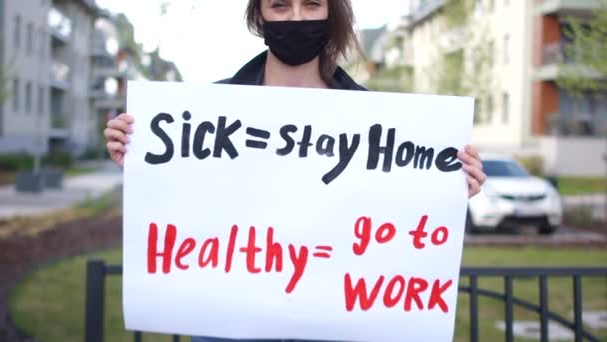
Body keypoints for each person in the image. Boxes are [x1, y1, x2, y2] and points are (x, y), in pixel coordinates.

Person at [104, 1, 487, 341]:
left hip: (337, 322)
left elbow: (395, 209)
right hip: (231, 321)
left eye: (311, 5)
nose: (297, 18)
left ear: (329, 12)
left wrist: (448, 186)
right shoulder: (207, 112)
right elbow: (184, 199)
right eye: (281, 7)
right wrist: (138, 157)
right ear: (259, 15)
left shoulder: (376, 120)